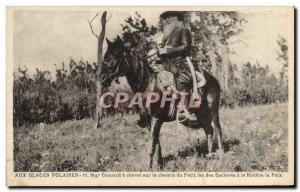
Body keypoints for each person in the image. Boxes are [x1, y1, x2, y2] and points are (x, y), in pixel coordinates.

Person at [157, 11, 196, 121]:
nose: (167, 20)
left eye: (170, 17)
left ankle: (184, 109)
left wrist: (166, 50)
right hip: (166, 63)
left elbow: (185, 47)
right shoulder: (166, 34)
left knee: (181, 80)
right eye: (165, 18)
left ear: (177, 18)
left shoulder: (183, 30)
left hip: (180, 62)